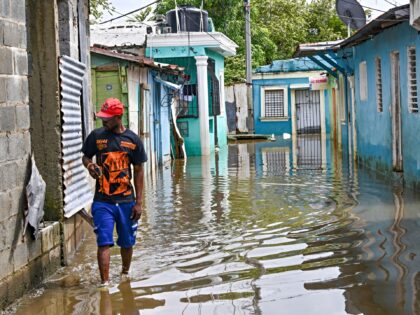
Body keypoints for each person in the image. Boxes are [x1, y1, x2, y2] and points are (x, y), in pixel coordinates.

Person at [81, 98, 147, 286]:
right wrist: (90, 165)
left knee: (127, 242)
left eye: (108, 119)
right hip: (103, 201)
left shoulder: (133, 141)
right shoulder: (96, 136)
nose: (104, 121)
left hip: (127, 201)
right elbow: (85, 156)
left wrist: (139, 202)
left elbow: (139, 171)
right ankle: (105, 284)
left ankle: (125, 274)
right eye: (103, 117)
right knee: (104, 241)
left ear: (119, 117)